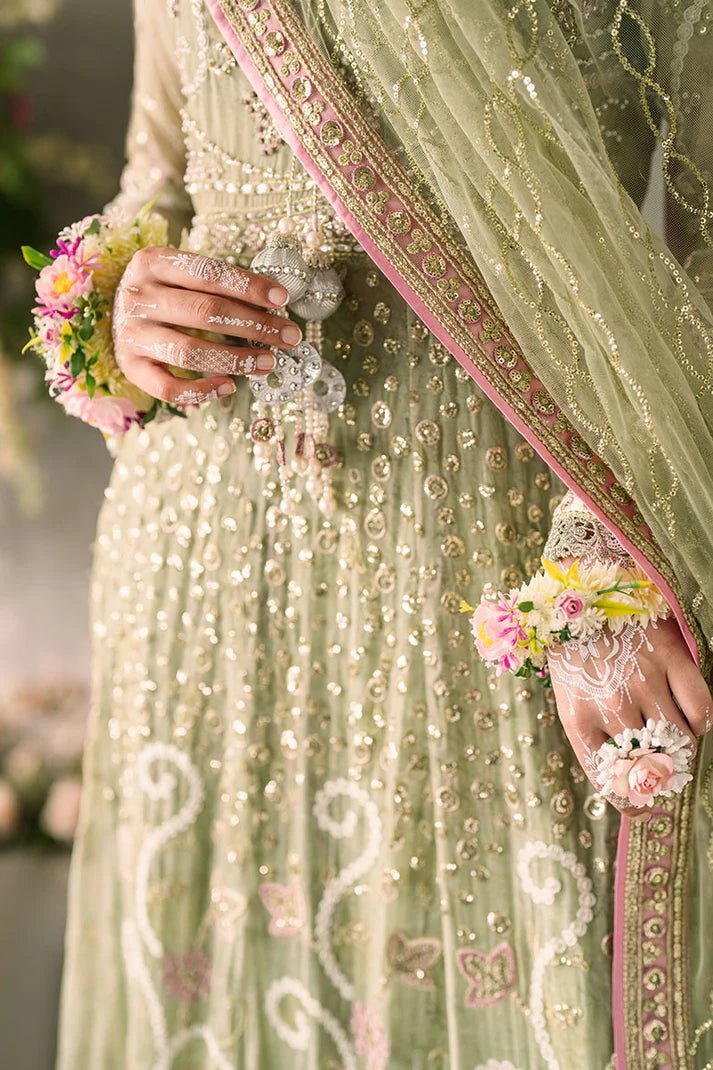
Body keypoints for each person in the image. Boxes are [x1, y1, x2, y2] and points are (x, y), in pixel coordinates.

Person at [55, 2, 713, 1068]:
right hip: (211, 571)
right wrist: (123, 306)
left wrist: (598, 547)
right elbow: (158, 182)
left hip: (498, 560)